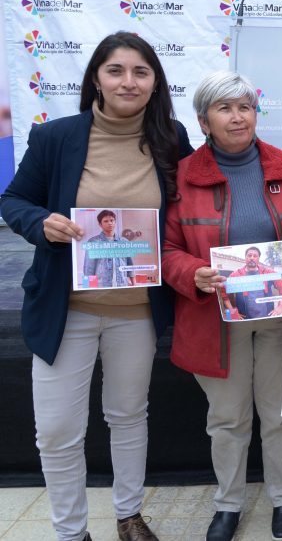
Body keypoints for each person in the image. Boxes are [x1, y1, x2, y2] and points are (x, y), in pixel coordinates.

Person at [0, 32, 192, 541]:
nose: (128, 81)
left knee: (128, 416)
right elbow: (14, 200)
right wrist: (40, 222)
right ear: (96, 79)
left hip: (137, 312)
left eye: (141, 72)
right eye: (116, 70)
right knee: (58, 432)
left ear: (155, 83)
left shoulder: (171, 138)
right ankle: (71, 533)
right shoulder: (55, 137)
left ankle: (129, 516)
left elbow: (201, 199)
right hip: (67, 310)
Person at [162, 71, 282, 541]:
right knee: (227, 418)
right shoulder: (183, 177)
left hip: (278, 315)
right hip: (214, 317)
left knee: (281, 412)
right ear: (203, 121)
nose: (237, 116)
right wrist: (193, 274)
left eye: (245, 106)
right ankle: (228, 504)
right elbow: (164, 250)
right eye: (224, 108)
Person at [220, 246, 282, 320]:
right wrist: (232, 311)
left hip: (267, 316)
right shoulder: (236, 275)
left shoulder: (268, 272)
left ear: (258, 258)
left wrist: (280, 307)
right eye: (249, 255)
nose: (252, 258)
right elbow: (223, 293)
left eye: (255, 256)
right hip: (245, 318)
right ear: (245, 257)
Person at [83, 210, 137, 287]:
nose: (110, 223)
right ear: (100, 224)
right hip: (101, 285)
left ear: (115, 222)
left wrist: (134, 284)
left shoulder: (124, 242)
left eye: (112, 220)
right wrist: (87, 287)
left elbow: (130, 264)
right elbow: (89, 267)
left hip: (122, 284)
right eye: (106, 221)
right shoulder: (93, 242)